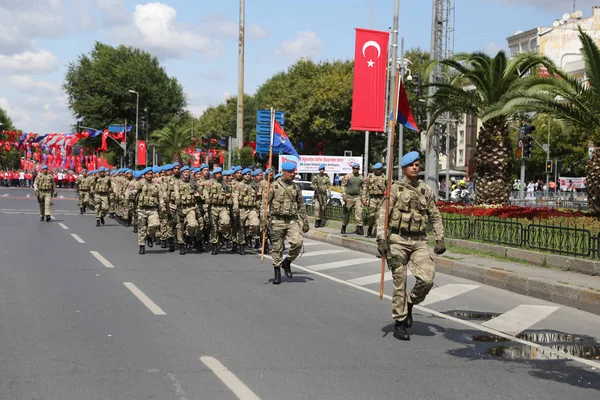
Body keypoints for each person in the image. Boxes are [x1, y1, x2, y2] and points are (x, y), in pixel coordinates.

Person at [376, 151, 445, 341]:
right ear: (404, 168)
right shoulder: (394, 189)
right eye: (411, 165)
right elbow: (383, 214)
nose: (415, 167)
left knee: (427, 279)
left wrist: (440, 238)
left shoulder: (426, 190)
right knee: (400, 281)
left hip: (419, 241)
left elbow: (435, 215)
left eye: (417, 164)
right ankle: (399, 323)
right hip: (398, 240)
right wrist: (381, 239)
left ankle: (410, 303)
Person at [264, 161, 309, 284]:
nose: (293, 174)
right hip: (277, 220)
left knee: (298, 242)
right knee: (277, 248)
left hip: (291, 221)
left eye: (294, 172)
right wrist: (264, 219)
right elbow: (265, 203)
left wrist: (305, 222)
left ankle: (287, 262)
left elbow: (301, 206)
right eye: (290, 172)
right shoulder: (274, 186)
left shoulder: (296, 188)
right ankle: (277, 272)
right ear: (283, 172)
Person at [132, 167, 164, 254]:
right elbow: (132, 194)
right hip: (141, 209)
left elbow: (160, 196)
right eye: (148, 174)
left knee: (155, 224)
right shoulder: (140, 183)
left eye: (151, 174)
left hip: (153, 209)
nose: (150, 176)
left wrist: (162, 206)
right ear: (144, 175)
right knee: (142, 229)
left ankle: (149, 235)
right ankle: (141, 246)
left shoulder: (156, 184)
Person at [233, 168, 260, 255]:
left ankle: (249, 235)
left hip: (252, 208)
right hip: (242, 209)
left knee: (255, 224)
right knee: (240, 228)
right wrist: (236, 209)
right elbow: (235, 197)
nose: (248, 176)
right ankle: (241, 245)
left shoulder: (254, 185)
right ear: (243, 176)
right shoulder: (239, 185)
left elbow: (259, 196)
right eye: (246, 174)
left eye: (249, 174)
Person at [206, 167, 231, 255]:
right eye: (217, 173)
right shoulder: (210, 183)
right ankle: (215, 245)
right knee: (214, 227)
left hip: (223, 207)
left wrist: (229, 196)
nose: (219, 175)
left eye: (220, 173)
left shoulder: (225, 184)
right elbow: (206, 192)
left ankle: (221, 233)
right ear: (214, 174)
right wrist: (207, 200)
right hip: (213, 207)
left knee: (226, 222)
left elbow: (230, 194)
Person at [362, 163, 386, 238]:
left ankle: (379, 234)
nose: (378, 171)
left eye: (380, 169)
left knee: (380, 216)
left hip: (381, 198)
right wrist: (364, 198)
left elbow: (389, 187)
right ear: (374, 170)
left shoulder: (384, 177)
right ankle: (370, 228)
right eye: (377, 170)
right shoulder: (370, 176)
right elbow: (365, 188)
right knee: (371, 215)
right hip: (372, 198)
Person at [341, 163, 364, 235]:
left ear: (359, 169)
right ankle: (344, 226)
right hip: (349, 197)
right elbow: (343, 185)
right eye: (354, 168)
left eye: (357, 169)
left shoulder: (361, 177)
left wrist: (364, 196)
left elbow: (364, 187)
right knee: (347, 214)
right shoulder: (348, 176)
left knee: (359, 212)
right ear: (352, 169)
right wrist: (344, 194)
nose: (355, 170)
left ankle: (359, 228)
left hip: (357, 197)